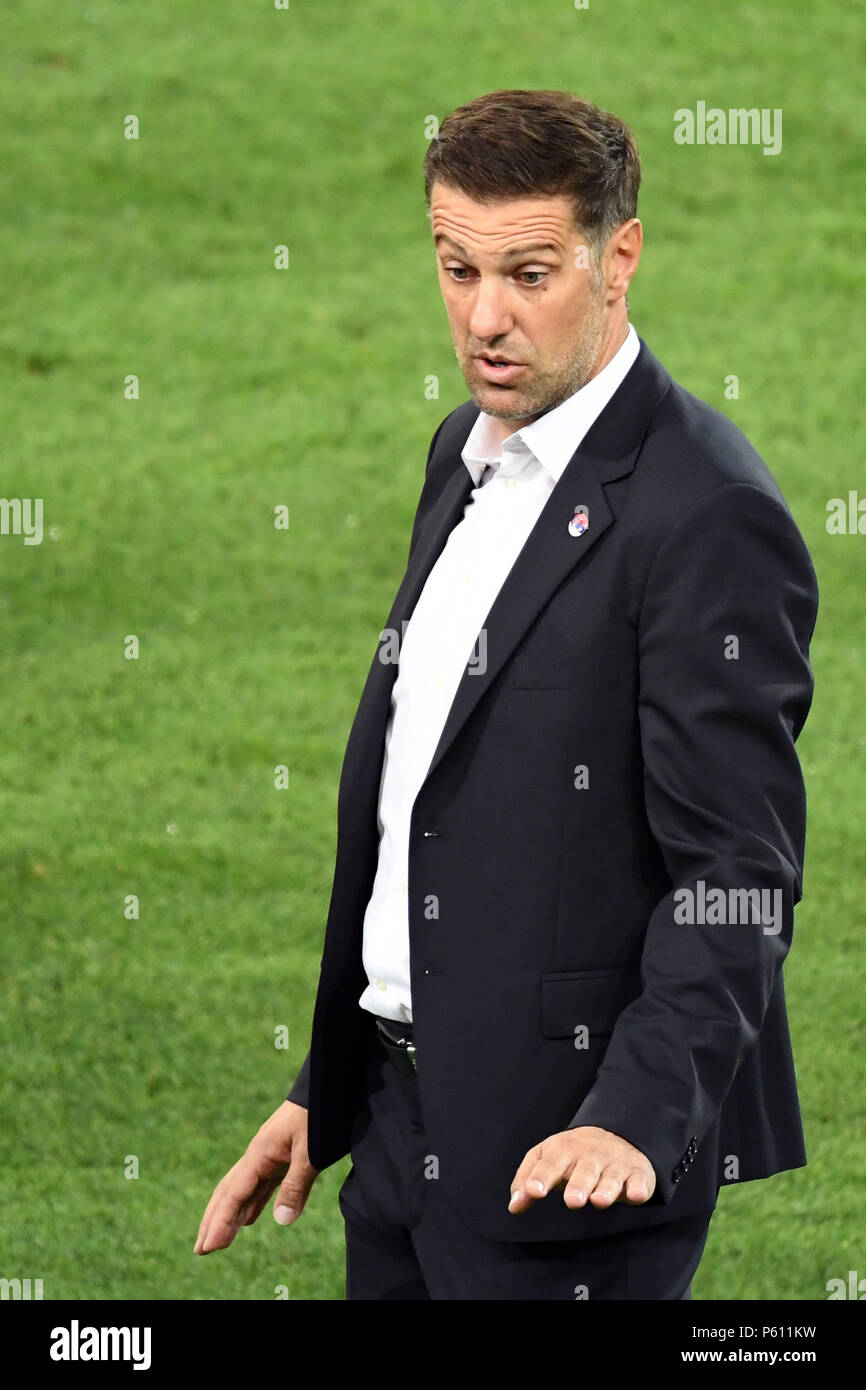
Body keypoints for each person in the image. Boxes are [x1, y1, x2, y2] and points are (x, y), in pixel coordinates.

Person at [195, 89, 818, 1300]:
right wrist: (328, 1082)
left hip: (568, 1173)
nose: (485, 318)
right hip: (393, 1138)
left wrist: (631, 1118)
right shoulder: (464, 451)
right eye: (456, 267)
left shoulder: (706, 518)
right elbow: (423, 800)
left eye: (529, 274)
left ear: (617, 254)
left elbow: (736, 874)